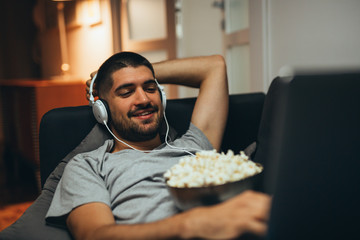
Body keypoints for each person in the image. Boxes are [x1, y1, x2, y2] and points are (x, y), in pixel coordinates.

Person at [46, 51, 271, 240]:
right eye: (126, 92)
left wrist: (140, 71)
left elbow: (214, 66)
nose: (143, 99)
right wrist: (193, 224)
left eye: (150, 88)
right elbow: (95, 235)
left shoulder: (193, 144)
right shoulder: (88, 166)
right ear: (101, 110)